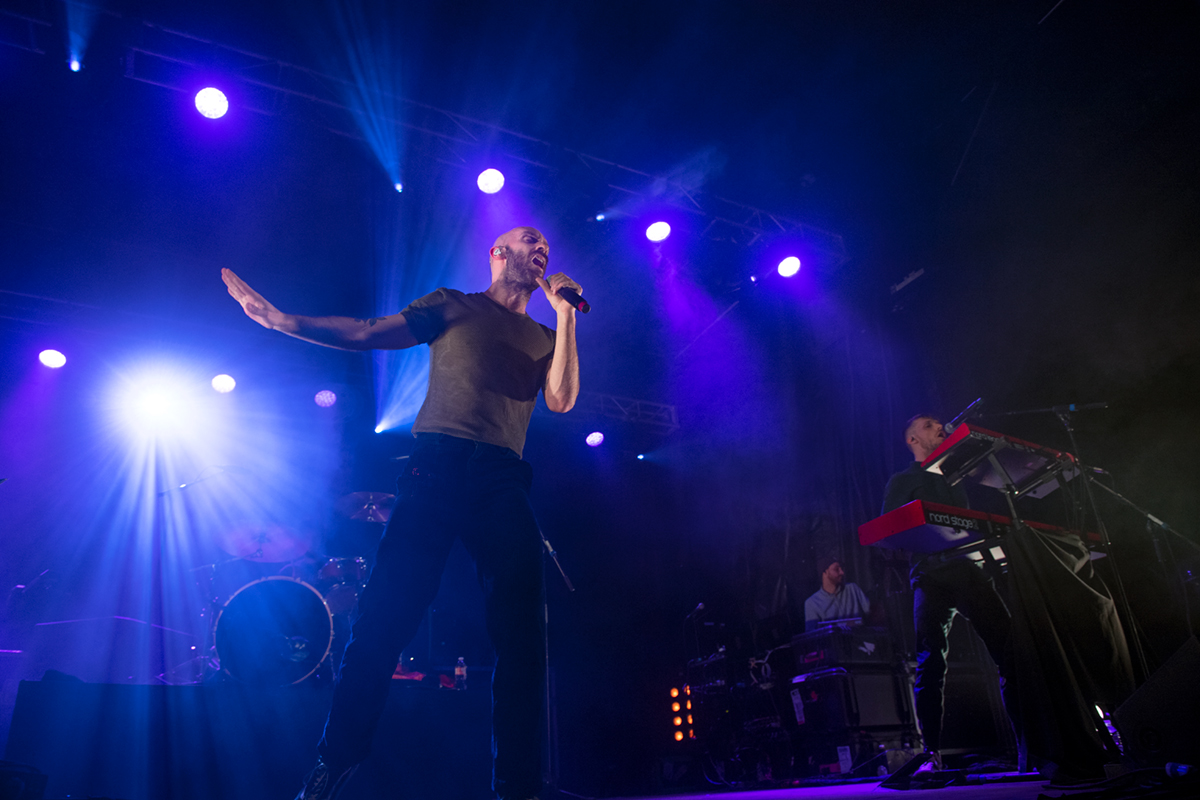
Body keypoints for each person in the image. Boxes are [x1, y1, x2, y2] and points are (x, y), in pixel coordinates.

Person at [223, 226, 581, 800]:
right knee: (382, 620)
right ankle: (334, 762)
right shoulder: (453, 305)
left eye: (545, 245)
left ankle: (518, 787)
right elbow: (368, 332)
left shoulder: (546, 332)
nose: (541, 248)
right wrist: (285, 321)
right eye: (527, 239)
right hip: (436, 466)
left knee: (522, 639)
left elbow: (562, 398)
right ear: (498, 253)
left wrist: (566, 315)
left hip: (501, 478)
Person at [881, 414, 1015, 768]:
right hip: (932, 574)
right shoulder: (904, 479)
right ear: (912, 440)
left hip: (968, 567)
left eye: (939, 424)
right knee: (931, 661)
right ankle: (933, 753)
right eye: (928, 426)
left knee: (1010, 650)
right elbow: (889, 531)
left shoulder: (956, 470)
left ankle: (1030, 744)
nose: (938, 427)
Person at [803, 555, 870, 630]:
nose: (842, 572)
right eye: (836, 569)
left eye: (841, 568)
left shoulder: (853, 588)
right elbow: (813, 636)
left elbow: (871, 612)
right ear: (824, 572)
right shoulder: (812, 603)